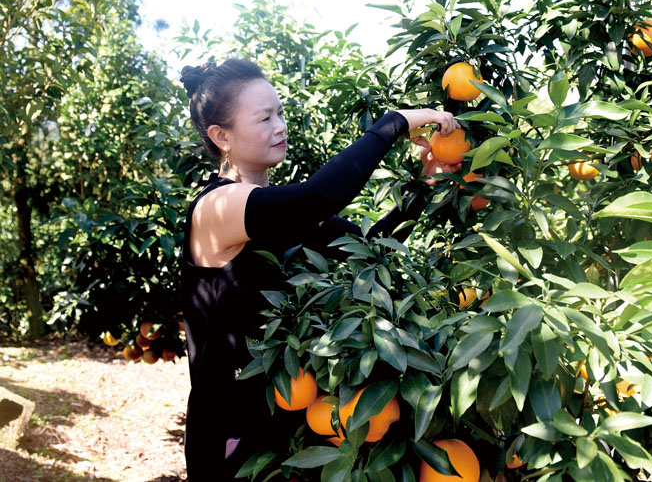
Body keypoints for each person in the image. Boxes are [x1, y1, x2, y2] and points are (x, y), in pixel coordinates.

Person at [178, 58, 462, 479]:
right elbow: (317, 197)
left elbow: (369, 249)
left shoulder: (280, 214)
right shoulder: (216, 208)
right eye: (264, 118)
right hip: (232, 441)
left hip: (292, 433)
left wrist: (424, 187)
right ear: (221, 136)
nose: (280, 126)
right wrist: (394, 123)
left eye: (280, 112)